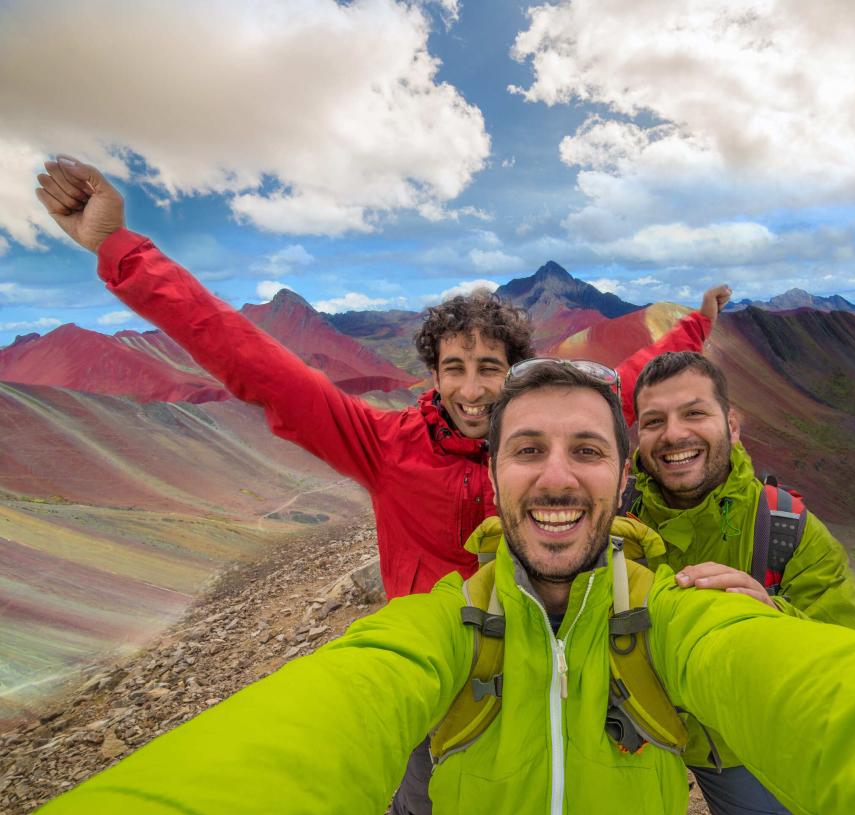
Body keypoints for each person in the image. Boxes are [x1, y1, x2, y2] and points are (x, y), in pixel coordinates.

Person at [33, 360, 855, 815]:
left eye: (586, 448)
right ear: (489, 478)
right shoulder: (440, 625)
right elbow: (320, 714)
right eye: (525, 448)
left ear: (620, 477)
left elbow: (805, 678)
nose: (553, 473)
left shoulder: (673, 610)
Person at [33, 156, 731, 600]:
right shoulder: (383, 445)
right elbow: (253, 362)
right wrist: (118, 248)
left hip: (543, 653)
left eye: (491, 369)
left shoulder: (544, 431)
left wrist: (696, 326)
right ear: (432, 373)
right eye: (454, 368)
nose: (473, 389)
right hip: (432, 672)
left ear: (513, 373)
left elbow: (631, 378)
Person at [628, 351, 855, 815]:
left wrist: (773, 619)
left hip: (741, 749)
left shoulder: (786, 527)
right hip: (639, 739)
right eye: (653, 421)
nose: (674, 434)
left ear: (732, 424)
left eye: (694, 412)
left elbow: (853, 653)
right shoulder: (619, 520)